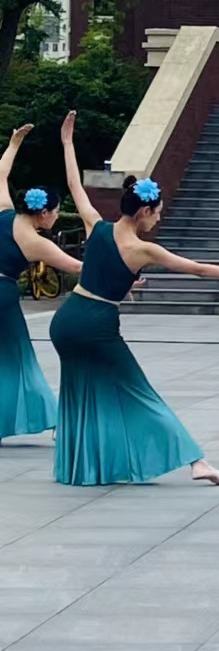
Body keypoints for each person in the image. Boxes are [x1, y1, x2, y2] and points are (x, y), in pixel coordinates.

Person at [52, 113, 219, 487]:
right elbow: (198, 269)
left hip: (67, 320)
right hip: (96, 325)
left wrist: (67, 142)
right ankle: (197, 461)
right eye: (157, 212)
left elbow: (74, 184)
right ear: (144, 211)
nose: (158, 219)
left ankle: (86, 464)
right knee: (138, 391)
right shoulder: (142, 249)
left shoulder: (97, 226)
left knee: (84, 391)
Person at [0, 125, 83, 445]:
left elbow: (1, 173)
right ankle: (52, 418)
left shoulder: (5, 213)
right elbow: (77, 267)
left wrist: (14, 143)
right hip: (2, 298)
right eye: (57, 212)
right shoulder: (35, 242)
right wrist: (123, 272)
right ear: (43, 213)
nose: (57, 217)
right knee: (18, 359)